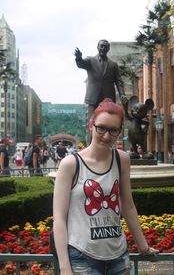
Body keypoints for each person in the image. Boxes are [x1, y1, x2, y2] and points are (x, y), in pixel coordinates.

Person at [53, 98, 159, 275]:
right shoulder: (70, 164)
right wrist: (65, 267)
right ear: (91, 125)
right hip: (82, 256)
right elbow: (59, 218)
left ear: (120, 131)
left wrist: (143, 245)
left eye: (113, 130)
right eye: (101, 128)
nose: (106, 135)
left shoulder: (122, 159)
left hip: (118, 255)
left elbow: (128, 206)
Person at [74, 39, 128, 120]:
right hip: (92, 99)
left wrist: (122, 94)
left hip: (108, 99)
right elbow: (81, 64)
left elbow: (119, 81)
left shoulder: (113, 65)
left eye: (105, 47)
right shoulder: (90, 60)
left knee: (107, 121)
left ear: (108, 49)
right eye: (101, 46)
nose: (103, 48)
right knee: (92, 122)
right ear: (97, 47)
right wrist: (78, 58)